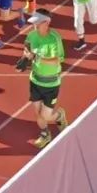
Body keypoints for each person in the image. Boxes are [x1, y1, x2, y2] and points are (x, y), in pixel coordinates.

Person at [22, 10, 68, 149]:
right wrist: (25, 57)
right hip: (35, 81)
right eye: (34, 23)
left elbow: (56, 60)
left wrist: (36, 57)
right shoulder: (32, 35)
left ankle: (59, 116)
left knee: (46, 116)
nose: (35, 25)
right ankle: (45, 134)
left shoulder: (54, 38)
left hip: (51, 84)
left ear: (47, 22)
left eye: (38, 22)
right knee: (38, 113)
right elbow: (27, 48)